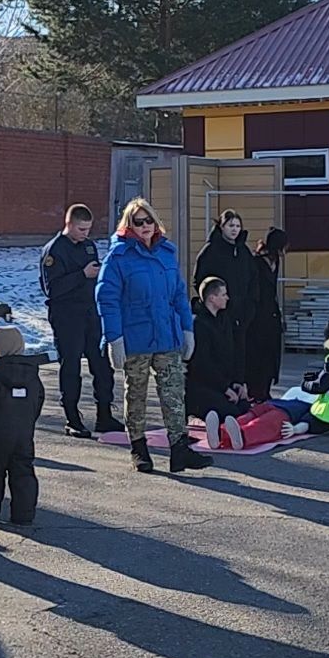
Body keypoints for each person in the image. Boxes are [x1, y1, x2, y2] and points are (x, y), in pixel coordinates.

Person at [96, 198, 210, 475]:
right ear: (129, 225)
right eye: (139, 221)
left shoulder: (166, 253)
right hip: (135, 338)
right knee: (136, 394)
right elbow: (107, 299)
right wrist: (115, 339)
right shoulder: (118, 257)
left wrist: (187, 329)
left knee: (173, 393)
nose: (145, 226)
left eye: (149, 220)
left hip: (166, 336)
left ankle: (179, 448)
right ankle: (138, 447)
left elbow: (179, 296)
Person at [40, 204, 120, 438]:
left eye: (88, 229)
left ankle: (104, 413)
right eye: (82, 229)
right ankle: (72, 418)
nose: (86, 233)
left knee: (102, 365)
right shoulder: (54, 251)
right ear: (70, 225)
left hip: (90, 313)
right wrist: (81, 275)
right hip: (67, 316)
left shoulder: (88, 247)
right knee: (71, 366)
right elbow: (52, 289)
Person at [0, 327, 45, 525]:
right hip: (23, 434)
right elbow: (38, 401)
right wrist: (28, 420)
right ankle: (23, 514)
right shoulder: (33, 376)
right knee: (23, 471)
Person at [193, 210, 260, 381]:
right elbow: (199, 278)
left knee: (240, 353)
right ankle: (222, 387)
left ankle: (239, 385)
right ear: (221, 227)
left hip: (242, 312)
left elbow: (253, 279)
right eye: (231, 225)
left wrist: (251, 304)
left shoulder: (243, 251)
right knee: (221, 352)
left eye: (238, 226)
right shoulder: (211, 251)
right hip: (219, 312)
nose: (234, 230)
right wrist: (211, 301)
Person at [186, 277, 253, 425]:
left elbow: (234, 353)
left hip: (222, 383)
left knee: (245, 408)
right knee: (230, 412)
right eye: (223, 295)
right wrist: (224, 387)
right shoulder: (199, 324)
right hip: (203, 385)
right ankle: (197, 418)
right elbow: (202, 365)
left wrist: (238, 382)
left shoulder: (224, 320)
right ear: (212, 298)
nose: (227, 298)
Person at [245, 227, 288, 400]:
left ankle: (266, 387)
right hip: (258, 314)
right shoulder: (257, 262)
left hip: (271, 313)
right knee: (258, 354)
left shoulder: (275, 260)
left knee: (271, 354)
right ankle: (256, 389)